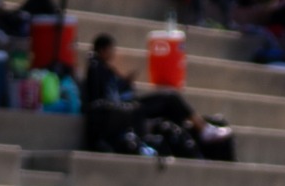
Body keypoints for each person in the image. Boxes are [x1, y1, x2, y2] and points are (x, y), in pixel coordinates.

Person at [83, 33, 230, 149]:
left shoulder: (105, 70)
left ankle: (198, 130)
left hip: (128, 107)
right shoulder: (96, 68)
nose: (113, 53)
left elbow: (117, 89)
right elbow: (105, 98)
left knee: (171, 103)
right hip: (128, 110)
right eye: (110, 49)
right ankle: (202, 129)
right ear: (102, 50)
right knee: (170, 97)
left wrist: (125, 82)